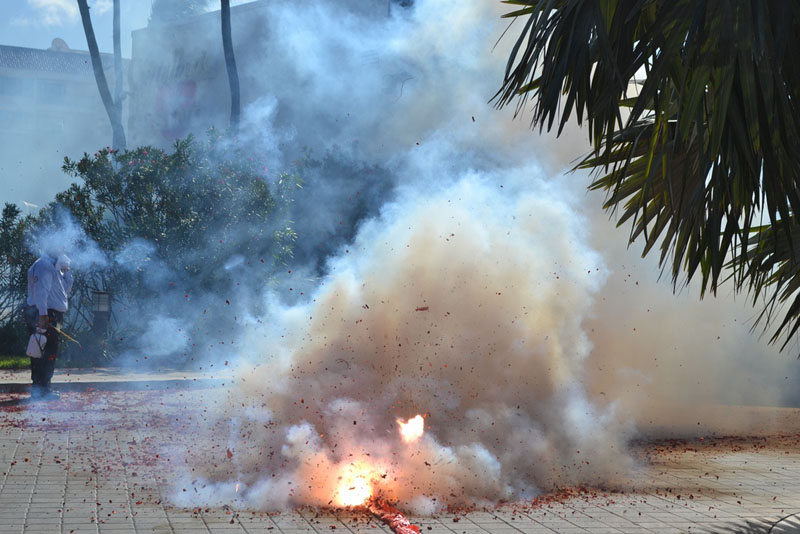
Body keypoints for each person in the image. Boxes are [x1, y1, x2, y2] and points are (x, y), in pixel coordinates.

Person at [24, 252, 73, 400]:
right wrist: (43, 315)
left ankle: (43, 387)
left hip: (51, 314)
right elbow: (41, 291)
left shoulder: (55, 268)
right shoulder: (44, 265)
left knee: (49, 349)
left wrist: (67, 271)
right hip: (45, 313)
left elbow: (66, 289)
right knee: (41, 350)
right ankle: (40, 389)